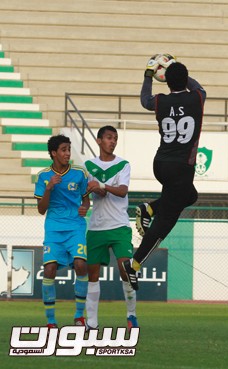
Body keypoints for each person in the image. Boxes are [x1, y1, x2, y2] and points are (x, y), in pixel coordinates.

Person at [123, 57, 206, 291]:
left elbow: (144, 101)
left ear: (166, 82)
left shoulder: (161, 101)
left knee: (190, 196)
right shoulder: (197, 97)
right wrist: (174, 68)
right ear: (185, 80)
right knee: (165, 224)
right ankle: (135, 265)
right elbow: (198, 86)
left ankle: (150, 208)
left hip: (160, 163)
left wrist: (149, 75)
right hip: (181, 168)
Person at [85, 125, 138, 329]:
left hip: (119, 225)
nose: (113, 141)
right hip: (97, 227)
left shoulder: (123, 164)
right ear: (99, 141)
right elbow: (94, 193)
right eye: (108, 137)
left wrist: (102, 186)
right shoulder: (89, 165)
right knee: (93, 275)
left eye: (115, 138)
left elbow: (123, 191)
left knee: (126, 269)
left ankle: (131, 314)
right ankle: (92, 322)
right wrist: (94, 192)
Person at [34, 134, 90, 328]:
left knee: (81, 265)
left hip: (75, 226)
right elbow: (41, 209)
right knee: (49, 270)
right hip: (54, 229)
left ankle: (79, 315)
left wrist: (85, 207)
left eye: (68, 149)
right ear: (54, 153)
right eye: (64, 150)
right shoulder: (43, 176)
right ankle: (50, 321)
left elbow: (85, 199)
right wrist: (49, 188)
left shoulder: (79, 173)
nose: (67, 153)